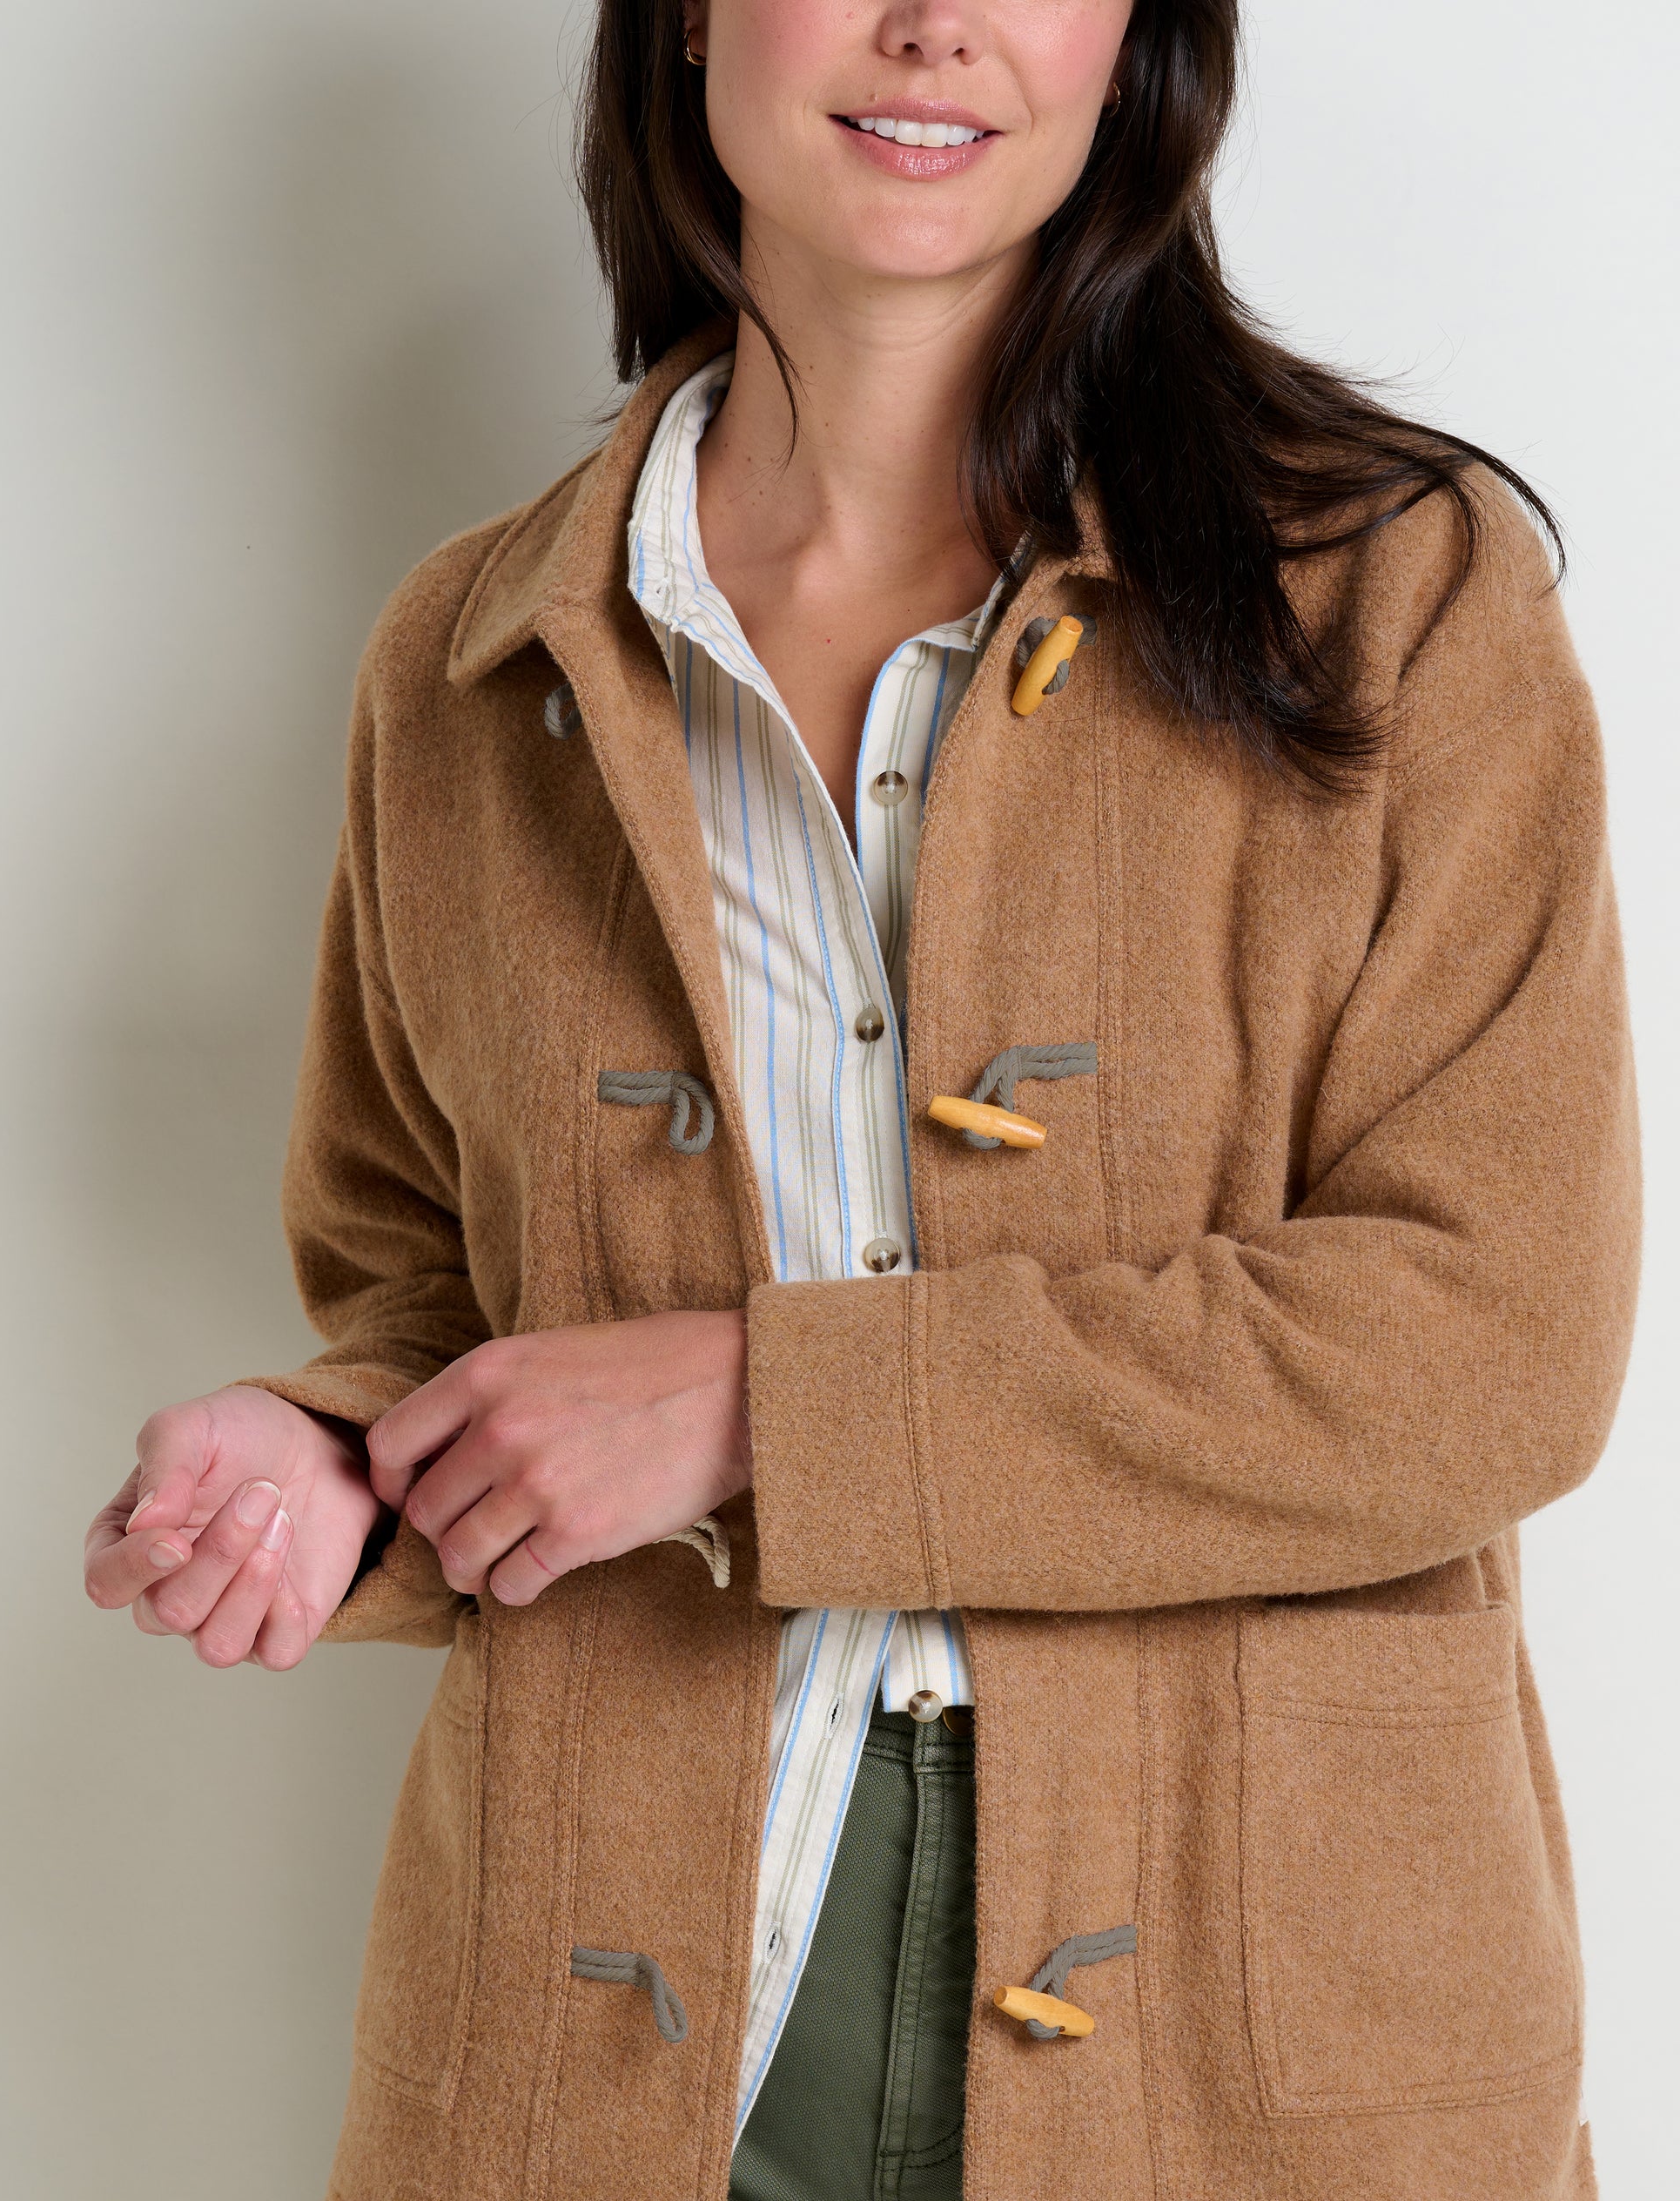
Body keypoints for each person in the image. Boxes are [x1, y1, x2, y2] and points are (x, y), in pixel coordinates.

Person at [81, 3, 1638, 2198]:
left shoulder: (1395, 590)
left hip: (1255, 1996)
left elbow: (1489, 1346)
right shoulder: (472, 661)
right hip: (609, 1995)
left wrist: (761, 1407)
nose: (932, 24)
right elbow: (430, 1297)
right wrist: (333, 1456)